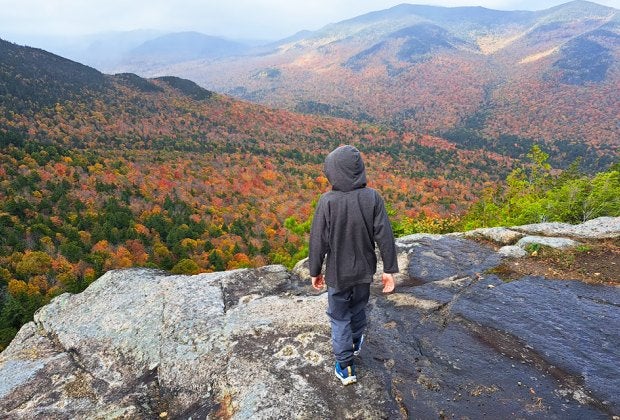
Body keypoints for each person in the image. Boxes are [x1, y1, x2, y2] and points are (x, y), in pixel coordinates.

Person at [309, 145, 398, 386]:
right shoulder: (372, 197)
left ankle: (346, 366)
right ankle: (356, 341)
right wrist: (389, 270)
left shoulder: (327, 201)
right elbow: (385, 235)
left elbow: (318, 239)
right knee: (358, 308)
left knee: (339, 318)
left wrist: (315, 271)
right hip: (364, 271)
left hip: (338, 274)